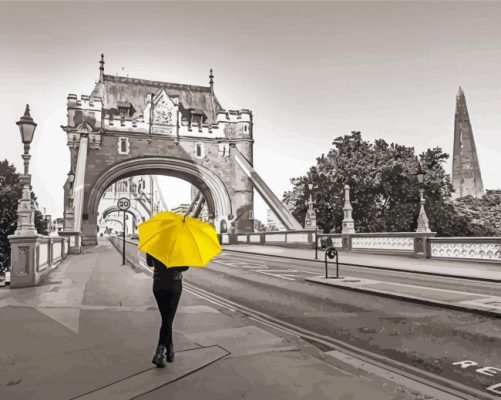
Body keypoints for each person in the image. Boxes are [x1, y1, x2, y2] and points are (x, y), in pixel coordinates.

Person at [147, 253, 189, 368]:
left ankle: (170, 350)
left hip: (158, 284)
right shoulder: (178, 244)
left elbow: (149, 263)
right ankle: (159, 353)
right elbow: (185, 267)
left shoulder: (154, 243)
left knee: (166, 318)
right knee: (168, 320)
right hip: (173, 284)